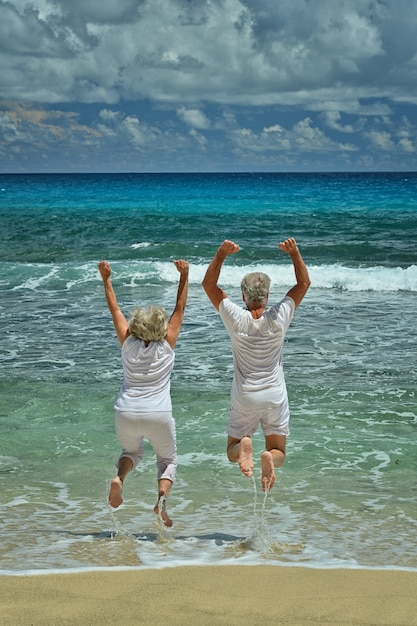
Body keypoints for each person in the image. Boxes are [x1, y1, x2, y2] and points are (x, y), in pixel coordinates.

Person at [202, 238, 310, 492]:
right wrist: (294, 252)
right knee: (279, 450)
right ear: (268, 296)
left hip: (245, 396)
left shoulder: (236, 317)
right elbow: (303, 283)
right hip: (274, 395)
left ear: (243, 296)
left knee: (231, 451)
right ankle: (269, 458)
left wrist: (221, 253)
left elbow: (209, 284)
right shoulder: (279, 316)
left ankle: (244, 446)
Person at [98, 258, 189, 527]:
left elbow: (114, 308)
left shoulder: (127, 342)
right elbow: (180, 308)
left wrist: (106, 279)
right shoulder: (167, 345)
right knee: (168, 460)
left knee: (131, 453)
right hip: (158, 413)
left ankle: (120, 479)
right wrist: (185, 276)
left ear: (136, 326)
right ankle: (161, 498)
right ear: (160, 329)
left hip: (125, 411)